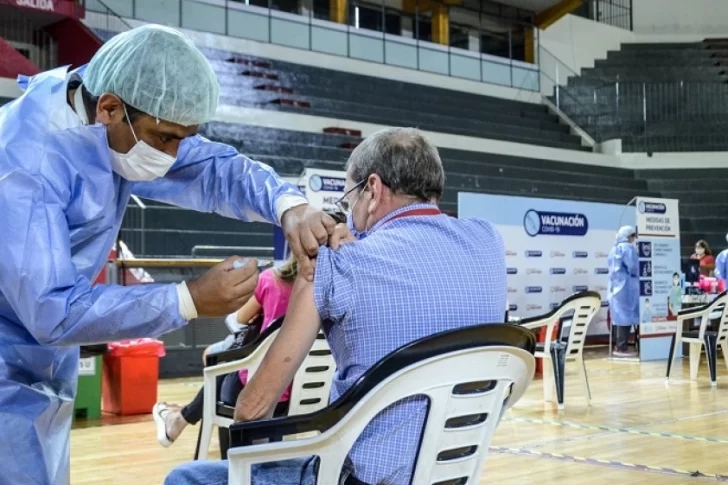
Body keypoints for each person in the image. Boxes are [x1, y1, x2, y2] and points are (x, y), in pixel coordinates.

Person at [0, 25, 341, 485]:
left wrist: (288, 206)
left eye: (184, 137)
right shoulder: (29, 165)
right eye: (165, 138)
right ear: (108, 109)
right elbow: (52, 311)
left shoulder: (112, 122)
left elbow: (213, 167)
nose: (174, 153)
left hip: (38, 358)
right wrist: (187, 299)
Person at [165, 127, 508, 485]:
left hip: (358, 479)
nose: (350, 216)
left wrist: (325, 254)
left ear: (372, 190)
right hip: (452, 476)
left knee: (186, 477)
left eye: (349, 201)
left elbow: (253, 411)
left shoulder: (336, 265)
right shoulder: (489, 242)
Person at [152, 254, 298, 447]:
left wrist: (262, 314)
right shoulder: (326, 293)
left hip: (257, 388)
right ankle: (179, 419)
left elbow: (240, 319)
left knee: (222, 375)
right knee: (226, 368)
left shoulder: (271, 280)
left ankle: (181, 420)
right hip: (303, 394)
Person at [607, 225, 639, 358]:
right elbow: (633, 267)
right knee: (626, 317)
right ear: (629, 236)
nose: (633, 239)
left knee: (619, 317)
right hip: (626, 287)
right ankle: (622, 347)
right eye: (633, 236)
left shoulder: (613, 249)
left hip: (615, 287)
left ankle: (619, 345)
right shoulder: (628, 248)